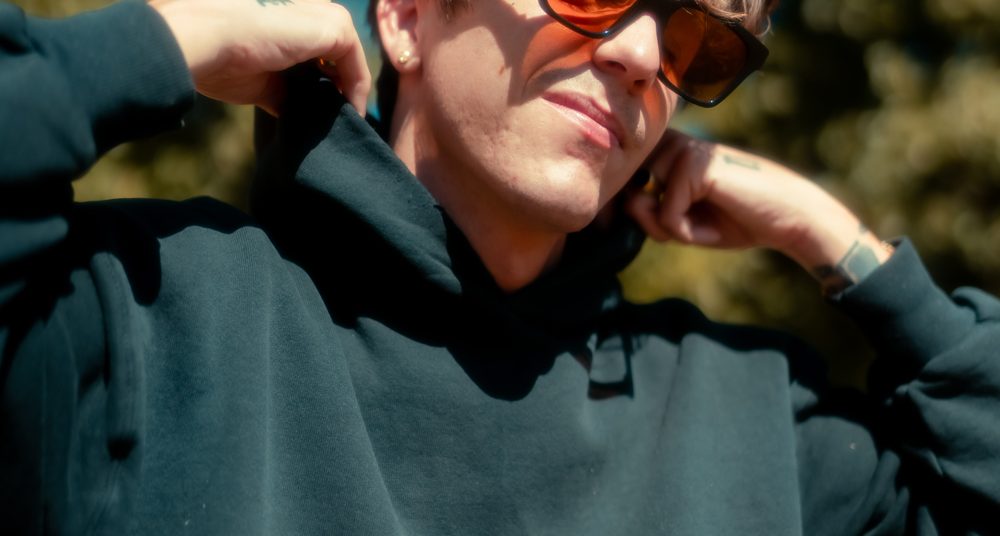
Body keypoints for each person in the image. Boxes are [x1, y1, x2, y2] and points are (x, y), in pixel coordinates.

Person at [1, 0, 998, 533]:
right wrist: (160, 41)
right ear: (405, 16)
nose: (640, 54)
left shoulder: (749, 422)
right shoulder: (145, 317)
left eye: (695, 37)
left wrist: (844, 246)